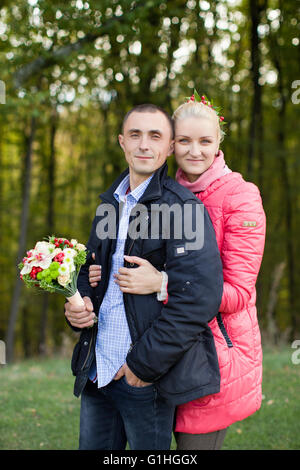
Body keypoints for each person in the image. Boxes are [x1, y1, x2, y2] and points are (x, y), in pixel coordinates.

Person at [89, 94, 266, 450]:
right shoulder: (157, 191)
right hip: (163, 345)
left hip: (215, 350)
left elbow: (239, 293)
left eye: (205, 141)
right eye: (185, 140)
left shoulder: (241, 197)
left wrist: (163, 283)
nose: (194, 151)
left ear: (218, 143)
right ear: (172, 145)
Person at [65, 103, 224, 450]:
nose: (143, 145)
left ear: (169, 148)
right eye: (135, 135)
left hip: (144, 377)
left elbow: (199, 298)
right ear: (122, 141)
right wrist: (79, 307)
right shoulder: (110, 202)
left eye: (155, 136)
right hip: (97, 369)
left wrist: (142, 366)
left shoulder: (183, 209)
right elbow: (90, 270)